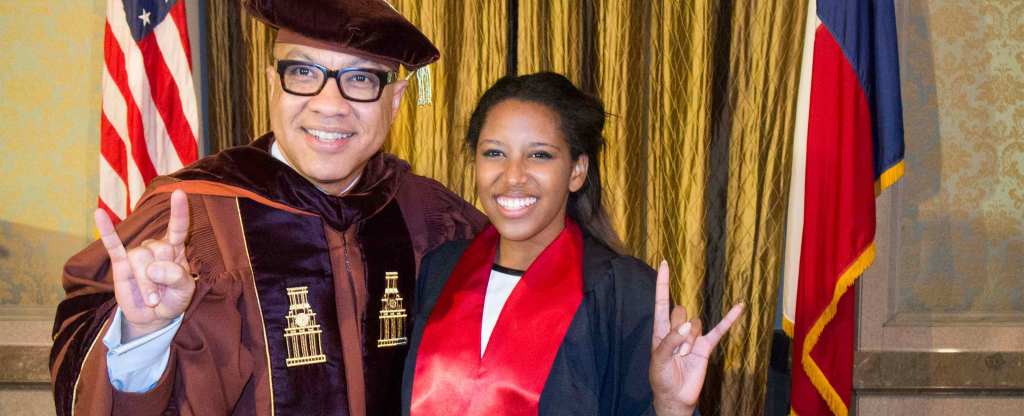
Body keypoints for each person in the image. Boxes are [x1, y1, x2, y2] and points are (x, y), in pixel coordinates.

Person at [49, 1, 485, 415]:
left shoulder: (431, 216)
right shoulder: (194, 217)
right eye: (302, 71)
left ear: (395, 100)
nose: (330, 105)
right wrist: (142, 335)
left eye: (360, 79)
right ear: (272, 83)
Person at [400, 73, 743, 415]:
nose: (513, 176)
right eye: (494, 153)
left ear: (577, 171)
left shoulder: (622, 291)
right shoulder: (441, 270)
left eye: (539, 156)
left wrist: (672, 407)